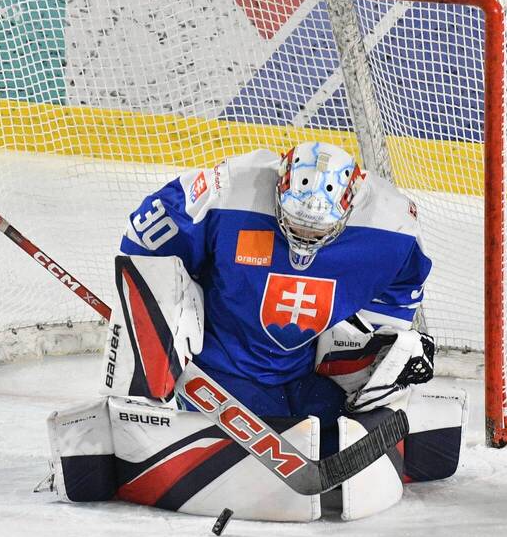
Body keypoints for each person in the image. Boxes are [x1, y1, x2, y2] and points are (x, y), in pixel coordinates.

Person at [118, 141, 436, 441]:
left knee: (363, 409)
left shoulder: (392, 225)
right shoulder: (231, 188)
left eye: (317, 228)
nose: (305, 237)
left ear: (350, 204)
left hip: (304, 373)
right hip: (217, 366)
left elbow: (401, 288)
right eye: (297, 223)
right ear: (279, 189)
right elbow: (144, 242)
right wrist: (155, 326)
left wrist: (383, 348)